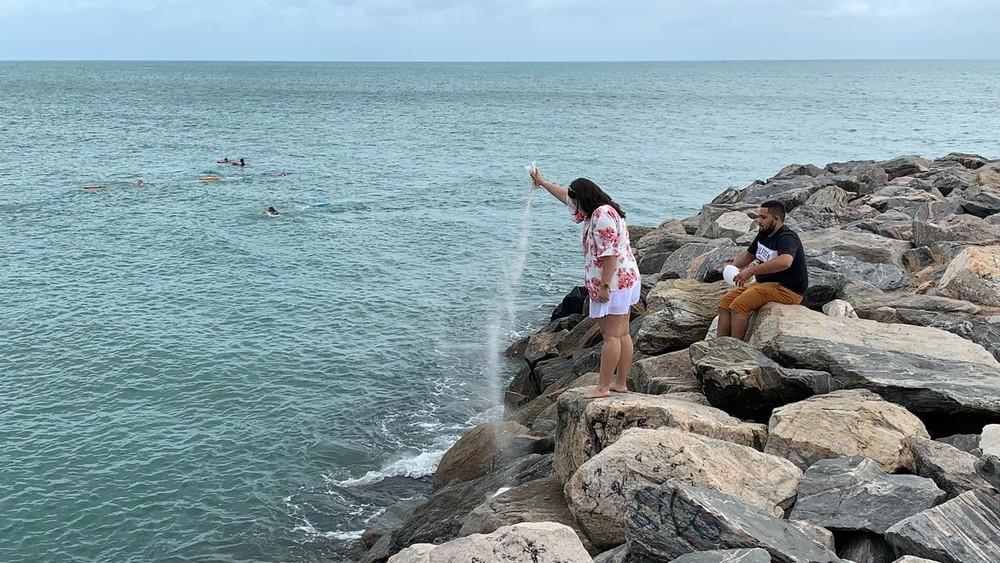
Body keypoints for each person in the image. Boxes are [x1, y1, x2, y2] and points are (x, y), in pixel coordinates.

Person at [532, 168, 641, 399]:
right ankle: (620, 383)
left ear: (584, 199)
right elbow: (565, 195)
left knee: (611, 336)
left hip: (614, 282)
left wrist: (603, 286)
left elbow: (609, 254)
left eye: (575, 202)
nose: (573, 208)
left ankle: (602, 388)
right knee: (622, 334)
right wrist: (541, 182)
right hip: (625, 278)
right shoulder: (604, 209)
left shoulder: (601, 217)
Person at [718, 200, 808, 341]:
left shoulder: (787, 237)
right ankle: (719, 344)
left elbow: (785, 261)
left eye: (763, 217)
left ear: (776, 219)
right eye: (758, 216)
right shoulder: (764, 233)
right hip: (764, 285)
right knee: (725, 302)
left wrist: (751, 271)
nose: (759, 220)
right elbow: (749, 254)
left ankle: (734, 347)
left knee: (739, 306)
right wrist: (733, 268)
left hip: (787, 290)